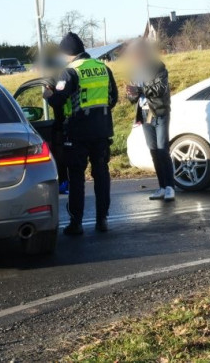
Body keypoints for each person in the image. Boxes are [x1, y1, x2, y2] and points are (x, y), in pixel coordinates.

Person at [44, 32, 118, 235]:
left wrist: (48, 94)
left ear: (66, 53)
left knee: (76, 178)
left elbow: (57, 101)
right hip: (102, 131)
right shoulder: (103, 68)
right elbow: (112, 98)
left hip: (77, 133)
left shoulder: (70, 72)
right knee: (101, 175)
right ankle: (102, 220)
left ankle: (76, 223)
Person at [125, 39, 175, 201]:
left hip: (159, 112)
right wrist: (131, 94)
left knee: (163, 150)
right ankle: (162, 187)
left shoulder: (157, 66)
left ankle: (170, 187)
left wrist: (139, 90)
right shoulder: (134, 71)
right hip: (144, 114)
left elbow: (160, 88)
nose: (133, 57)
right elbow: (133, 97)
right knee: (154, 151)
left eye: (135, 54)